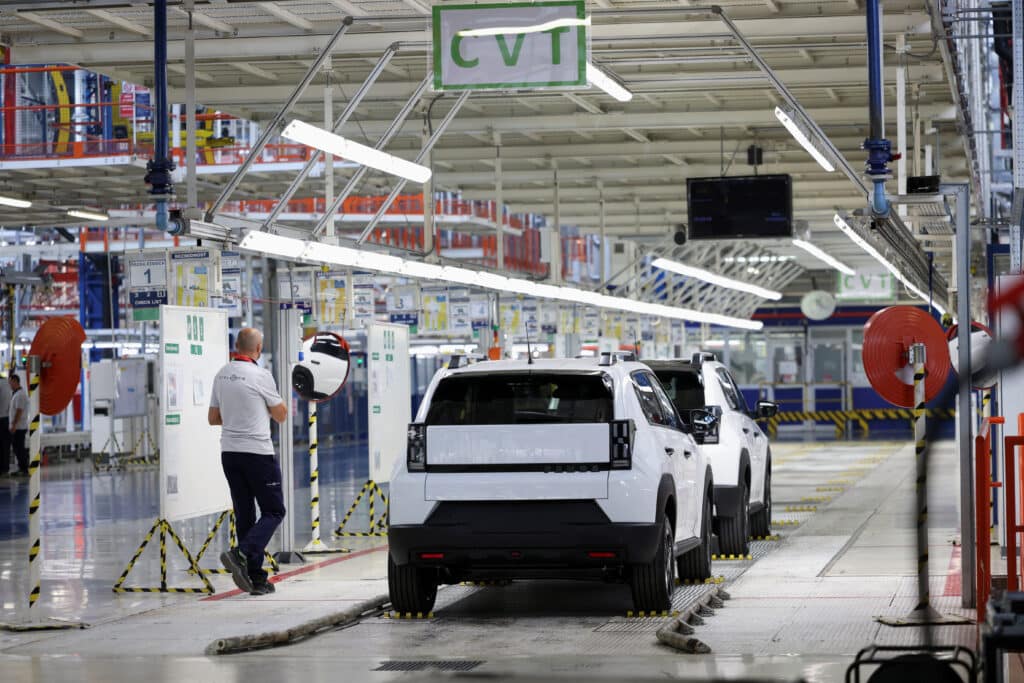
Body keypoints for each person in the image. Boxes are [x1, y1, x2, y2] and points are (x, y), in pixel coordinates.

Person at [208, 327, 288, 596]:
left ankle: (255, 577)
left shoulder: (222, 374)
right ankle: (241, 553)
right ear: (258, 349)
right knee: (274, 510)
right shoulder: (261, 375)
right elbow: (281, 415)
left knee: (245, 514)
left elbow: (213, 418)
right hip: (258, 453)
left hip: (230, 453)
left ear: (236, 346)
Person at [9, 373, 29, 477]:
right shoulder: (16, 394)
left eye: (10, 382)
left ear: (15, 382)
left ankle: (24, 468)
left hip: (19, 427)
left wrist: (14, 425)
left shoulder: (20, 395)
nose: (9, 385)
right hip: (18, 426)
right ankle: (22, 468)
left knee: (19, 448)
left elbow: (19, 411)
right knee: (17, 448)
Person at [0, 372, 11, 475]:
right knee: (5, 445)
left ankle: (2, 468)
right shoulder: (7, 383)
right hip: (7, 418)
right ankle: (5, 468)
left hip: (1, 418)